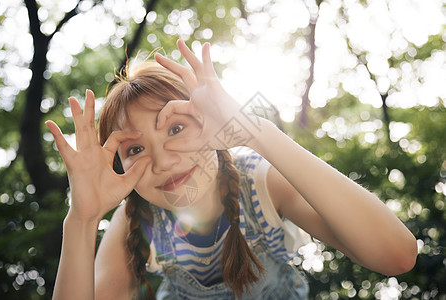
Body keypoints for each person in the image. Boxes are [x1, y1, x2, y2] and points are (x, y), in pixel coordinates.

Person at [46, 40, 417, 300]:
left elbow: (396, 256)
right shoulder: (137, 218)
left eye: (176, 128)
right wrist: (82, 219)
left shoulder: (262, 183)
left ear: (212, 121)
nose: (162, 161)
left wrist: (255, 132)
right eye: (136, 149)